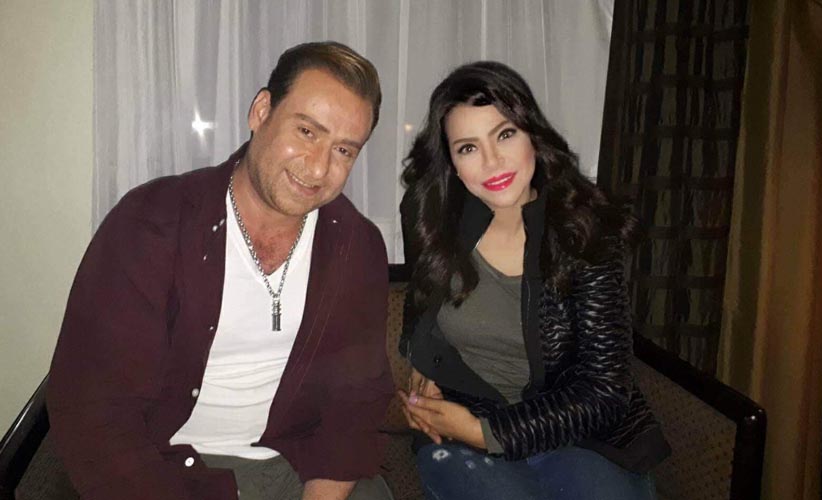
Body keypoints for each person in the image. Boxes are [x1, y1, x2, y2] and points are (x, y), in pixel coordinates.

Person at [47, 41, 395, 500]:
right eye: (307, 131)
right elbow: (96, 411)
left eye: (344, 150)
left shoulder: (356, 246)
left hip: (302, 466)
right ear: (261, 111)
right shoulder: (152, 224)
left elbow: (356, 407)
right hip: (169, 468)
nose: (319, 168)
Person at [397, 61, 671, 500]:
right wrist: (422, 361)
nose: (492, 161)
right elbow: (420, 299)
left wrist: (485, 431)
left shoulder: (584, 231)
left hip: (576, 433)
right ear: (451, 161)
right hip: (466, 429)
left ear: (533, 136)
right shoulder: (430, 214)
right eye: (468, 148)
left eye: (505, 134)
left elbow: (605, 391)